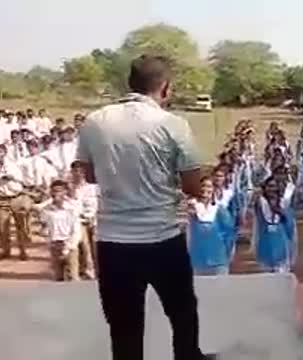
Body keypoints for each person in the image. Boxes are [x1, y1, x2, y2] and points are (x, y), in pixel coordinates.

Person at [74, 55, 214, 360]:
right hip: (162, 239)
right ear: (165, 88)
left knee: (124, 327)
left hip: (113, 242)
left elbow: (88, 174)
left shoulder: (94, 121)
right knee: (182, 312)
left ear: (130, 83)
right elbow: (192, 186)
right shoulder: (173, 124)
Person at [187, 176, 235, 276]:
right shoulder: (190, 209)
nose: (205, 189)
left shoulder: (220, 210)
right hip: (196, 261)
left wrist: (227, 255)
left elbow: (229, 234)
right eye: (202, 186)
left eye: (209, 186)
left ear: (214, 189)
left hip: (218, 260)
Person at [40, 180, 81, 281]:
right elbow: (45, 229)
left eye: (59, 190)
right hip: (55, 246)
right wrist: (49, 242)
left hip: (69, 244)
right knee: (58, 278)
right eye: (54, 191)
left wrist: (69, 246)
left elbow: (76, 230)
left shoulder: (71, 209)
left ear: (65, 192)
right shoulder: (46, 210)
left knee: (73, 277)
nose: (56, 193)